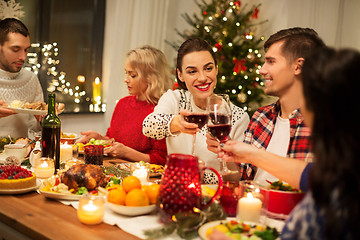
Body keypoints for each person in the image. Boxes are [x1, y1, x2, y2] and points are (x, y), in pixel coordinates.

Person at [218, 47, 360, 240]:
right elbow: (309, 175)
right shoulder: (341, 171)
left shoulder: (330, 203)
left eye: (271, 61)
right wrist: (249, 153)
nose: (262, 70)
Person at [209, 27, 325, 184]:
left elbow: (323, 187)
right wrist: (227, 148)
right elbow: (240, 178)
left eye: (271, 62)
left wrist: (252, 154)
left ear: (298, 67)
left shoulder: (326, 124)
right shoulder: (261, 117)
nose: (262, 70)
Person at [142, 38, 250, 183]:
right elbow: (148, 126)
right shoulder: (175, 98)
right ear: (180, 75)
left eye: (208, 68)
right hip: (177, 189)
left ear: (216, 69)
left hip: (213, 196)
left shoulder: (238, 117)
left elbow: (237, 179)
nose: (202, 78)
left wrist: (205, 174)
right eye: (192, 71)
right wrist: (177, 124)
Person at [77, 46, 172, 165]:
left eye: (132, 75)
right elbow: (113, 140)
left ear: (150, 78)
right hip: (114, 172)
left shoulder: (161, 111)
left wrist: (126, 153)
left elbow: (161, 160)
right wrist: (100, 139)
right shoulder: (123, 104)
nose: (126, 80)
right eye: (126, 73)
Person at [0, 18, 44, 138]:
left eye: (26, 50)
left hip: (21, 152)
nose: (23, 57)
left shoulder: (31, 79)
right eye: (16, 49)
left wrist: (43, 120)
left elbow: (35, 129)